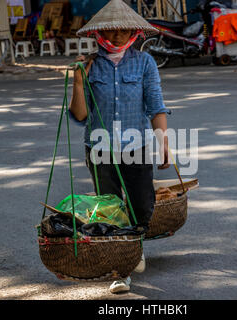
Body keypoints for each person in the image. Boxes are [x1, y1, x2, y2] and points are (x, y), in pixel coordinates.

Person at [69, 0, 170, 294]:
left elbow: (156, 106)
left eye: (124, 31)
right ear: (100, 33)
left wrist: (164, 142)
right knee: (110, 209)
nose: (117, 37)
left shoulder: (144, 63)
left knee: (142, 205)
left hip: (136, 148)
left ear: (134, 33)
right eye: (111, 31)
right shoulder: (88, 65)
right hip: (99, 149)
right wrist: (78, 82)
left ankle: (134, 245)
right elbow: (80, 115)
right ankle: (120, 269)